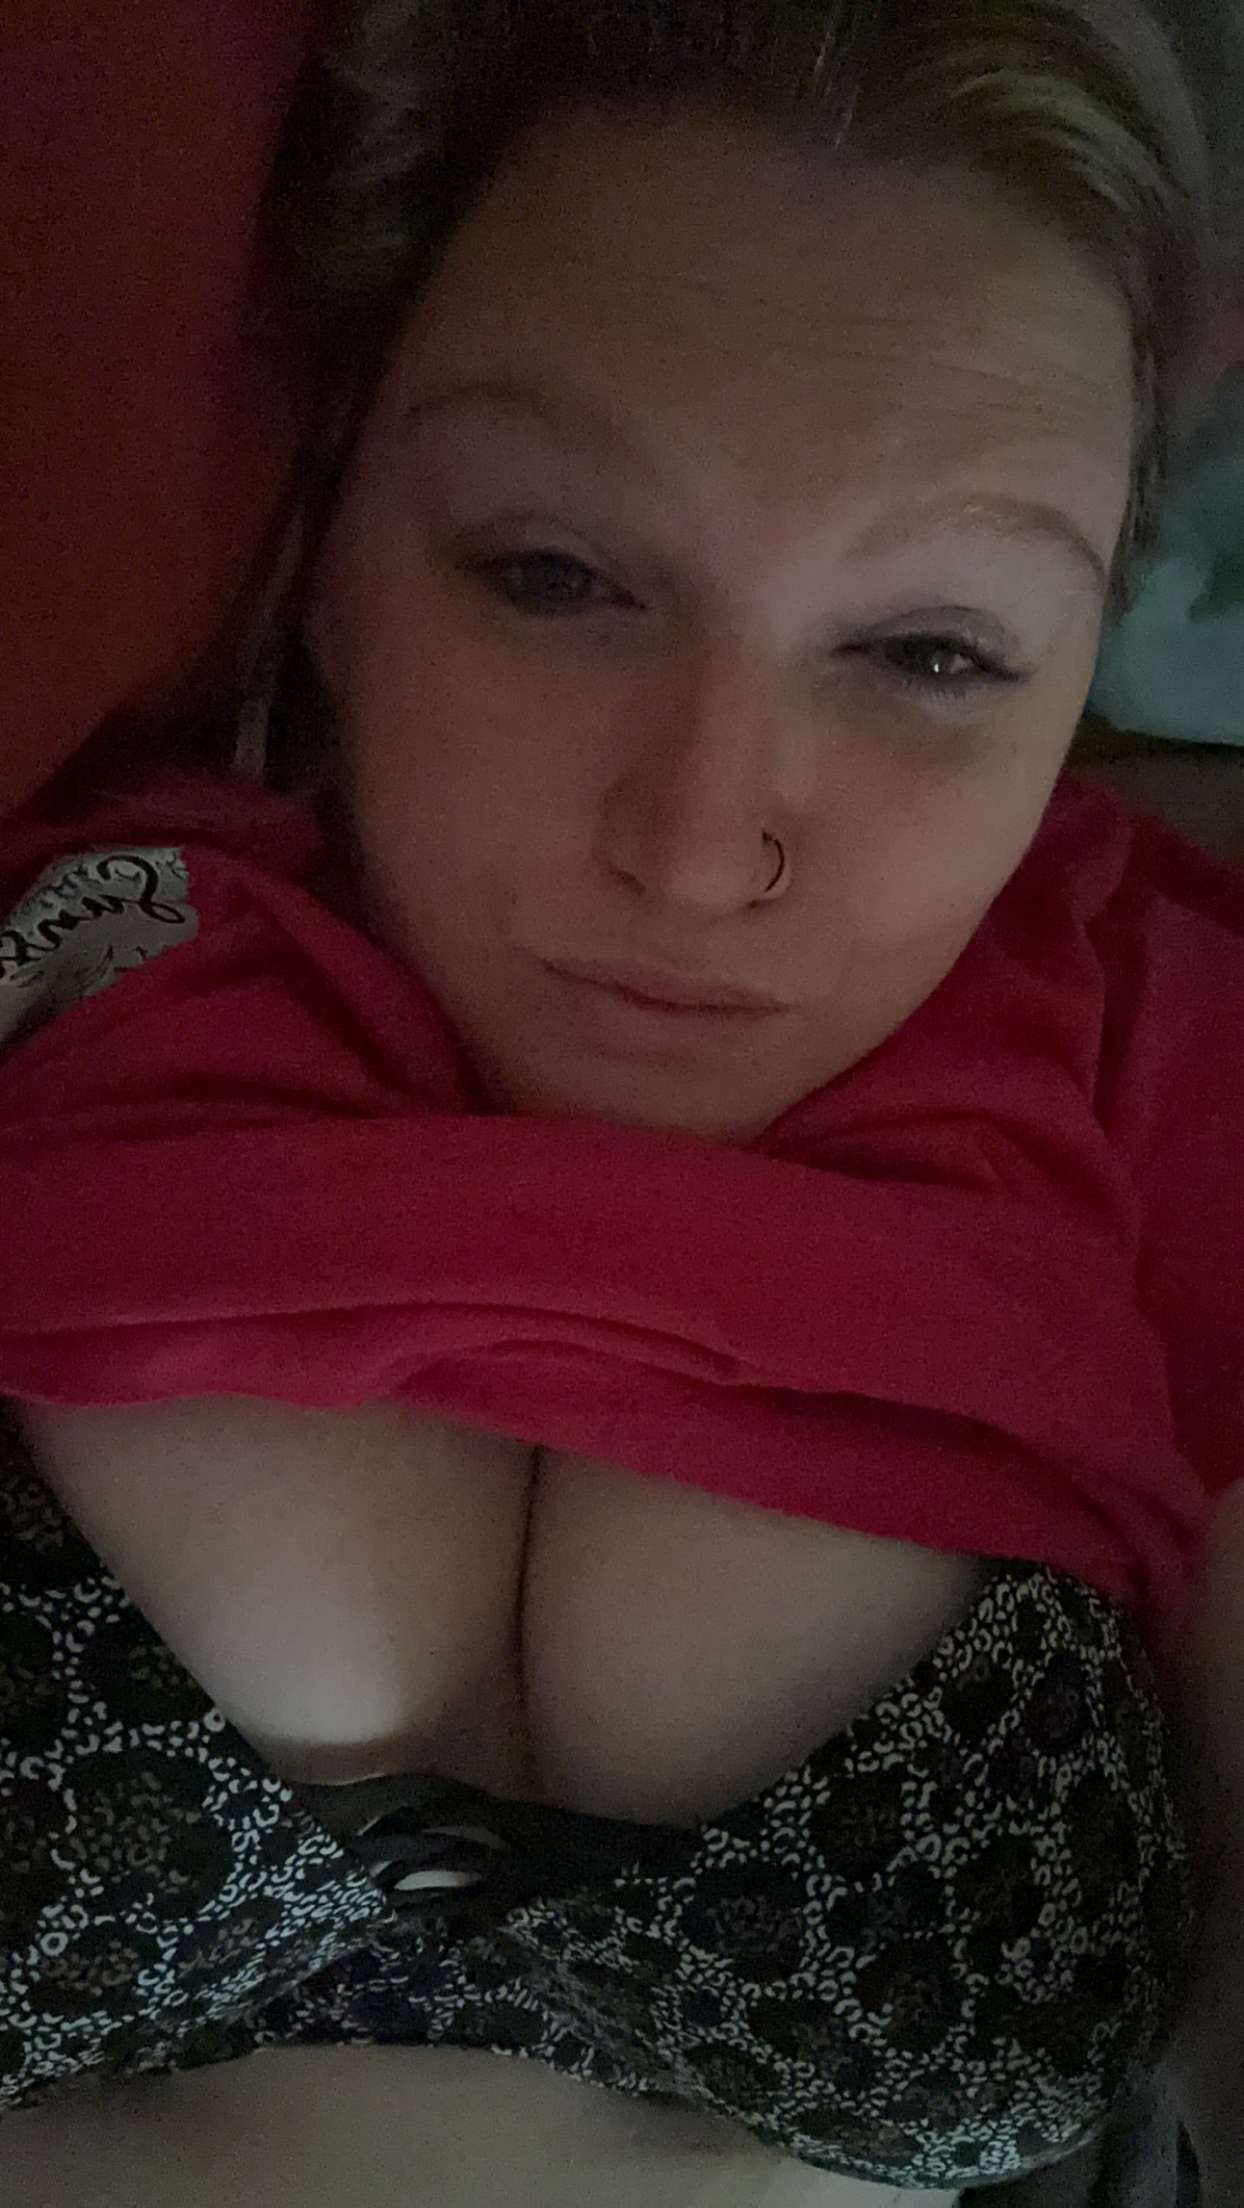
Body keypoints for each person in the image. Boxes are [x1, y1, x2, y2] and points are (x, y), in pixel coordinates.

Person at [0, 0, 1237, 2201]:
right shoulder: (78, 947)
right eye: (554, 576)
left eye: (932, 652)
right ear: (329, 527)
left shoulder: (1165, 1053)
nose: (695, 846)